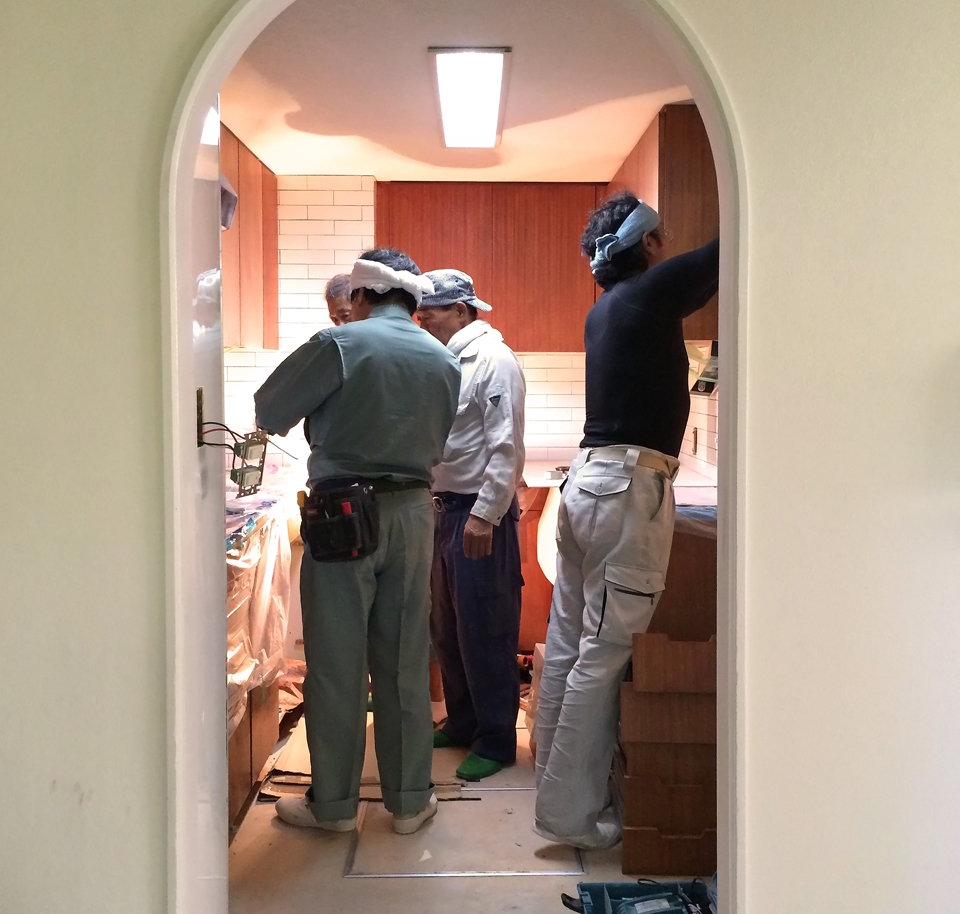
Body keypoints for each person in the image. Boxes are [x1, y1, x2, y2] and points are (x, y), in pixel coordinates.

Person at [533, 192, 719, 849]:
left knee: (569, 644)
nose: (668, 247)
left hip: (587, 483)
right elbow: (734, 245)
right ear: (646, 243)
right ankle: (570, 817)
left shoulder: (607, 308)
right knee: (604, 654)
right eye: (661, 236)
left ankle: (553, 793)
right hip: (625, 487)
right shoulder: (648, 294)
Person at [254, 248, 461, 835]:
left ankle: (335, 807)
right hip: (414, 512)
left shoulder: (338, 344)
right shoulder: (443, 358)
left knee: (336, 663)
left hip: (343, 514)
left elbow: (268, 410)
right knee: (404, 662)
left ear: (361, 297)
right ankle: (410, 802)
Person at [416, 270, 526, 782]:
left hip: (477, 513)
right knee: (448, 629)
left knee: (485, 628)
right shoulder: (444, 360)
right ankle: (463, 722)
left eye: (430, 314)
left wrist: (485, 514)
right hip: (442, 511)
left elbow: (506, 447)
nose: (422, 322)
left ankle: (496, 740)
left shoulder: (494, 361)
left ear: (461, 310)